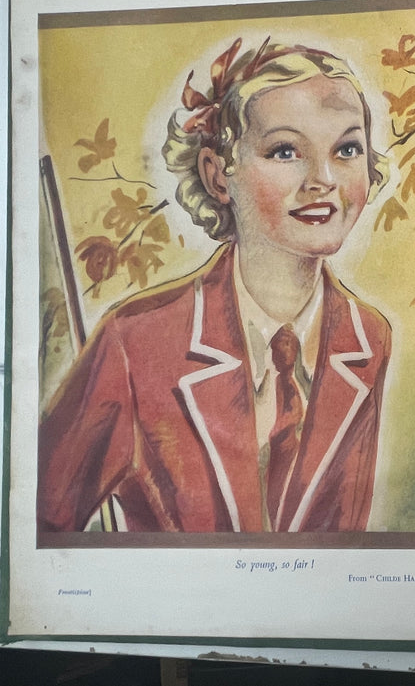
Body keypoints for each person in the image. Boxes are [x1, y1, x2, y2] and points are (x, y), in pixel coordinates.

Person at [38, 38, 393, 533]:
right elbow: (36, 524)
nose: (324, 179)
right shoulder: (134, 340)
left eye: (347, 149)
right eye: (285, 151)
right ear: (218, 176)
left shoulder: (368, 337)